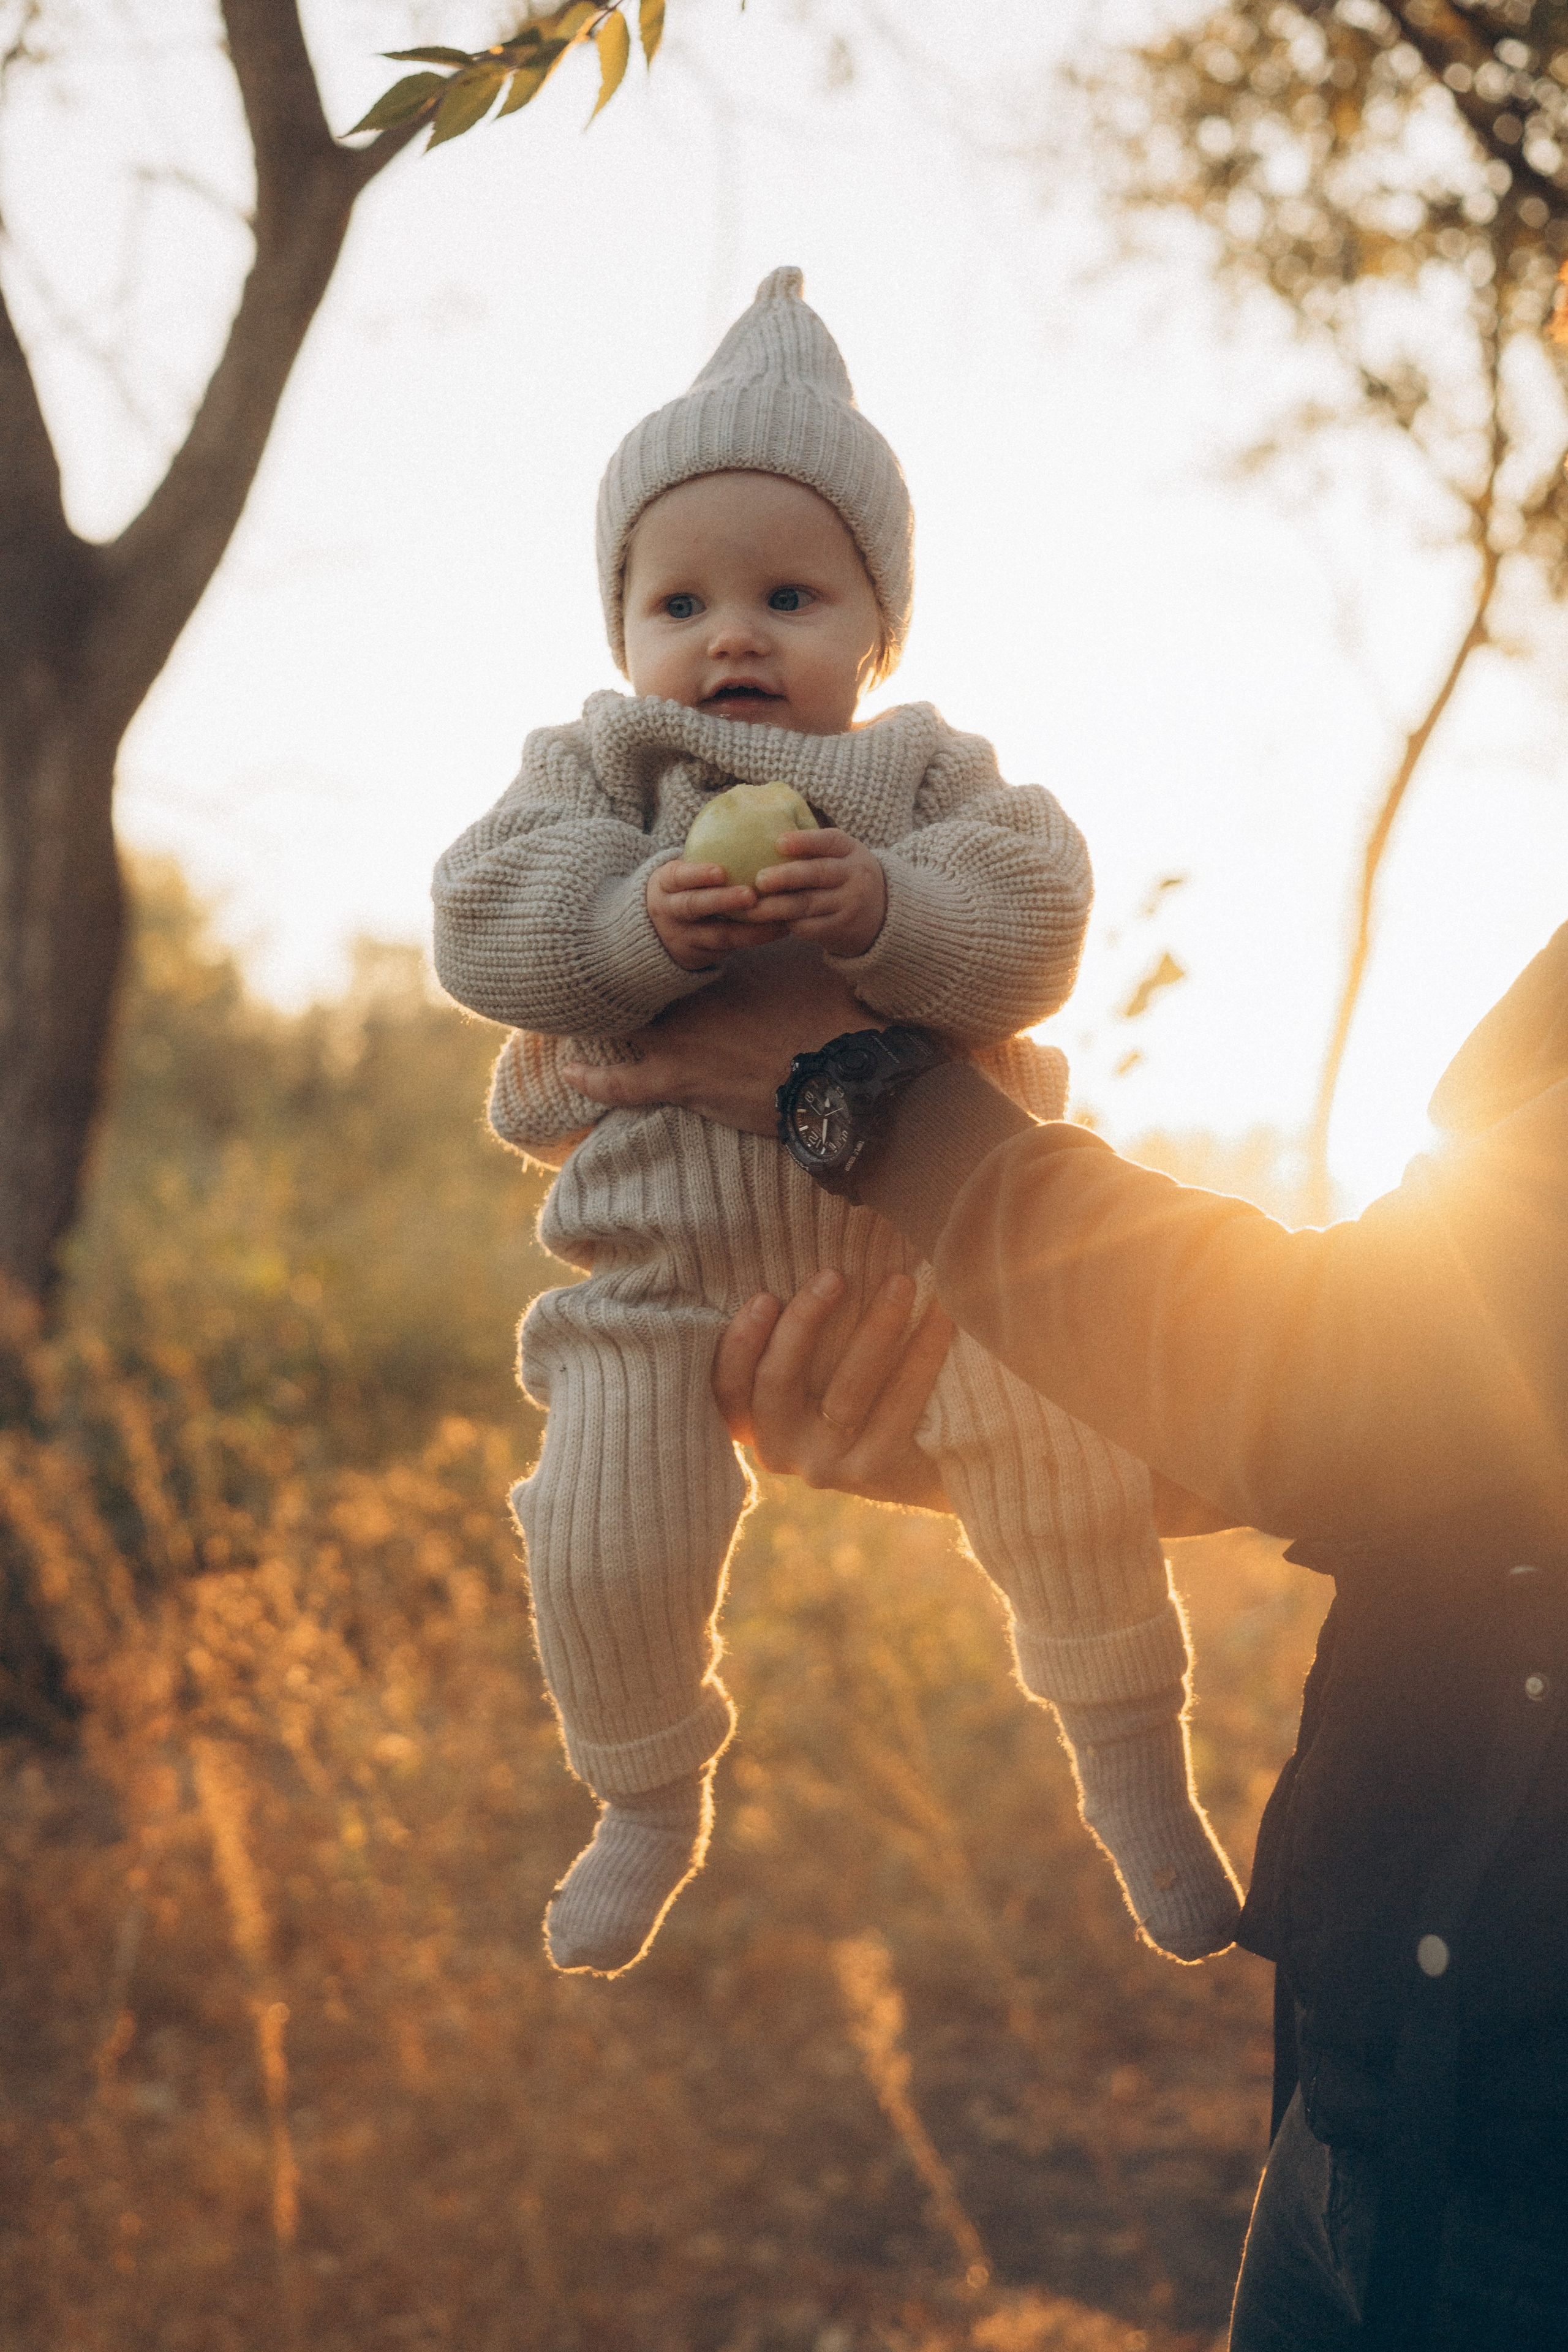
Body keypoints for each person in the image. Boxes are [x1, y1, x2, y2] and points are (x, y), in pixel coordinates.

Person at [559, 922, 1568, 2348]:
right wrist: (935, 1438)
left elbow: (1348, 1370)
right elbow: (1440, 1450)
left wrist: (861, 1088)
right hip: (1380, 2092)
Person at [431, 266, 1242, 1981]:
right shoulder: (595, 778)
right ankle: (643, 1796)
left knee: (1062, 1447)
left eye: (789, 595)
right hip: (659, 1279)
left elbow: (1032, 922)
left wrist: (883, 912)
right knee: (603, 1526)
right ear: (624, 632)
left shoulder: (928, 785)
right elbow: (487, 918)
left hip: (940, 1261)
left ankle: (1129, 1767)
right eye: (681, 601)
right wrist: (638, 926)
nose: (732, 635)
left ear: (875, 636)